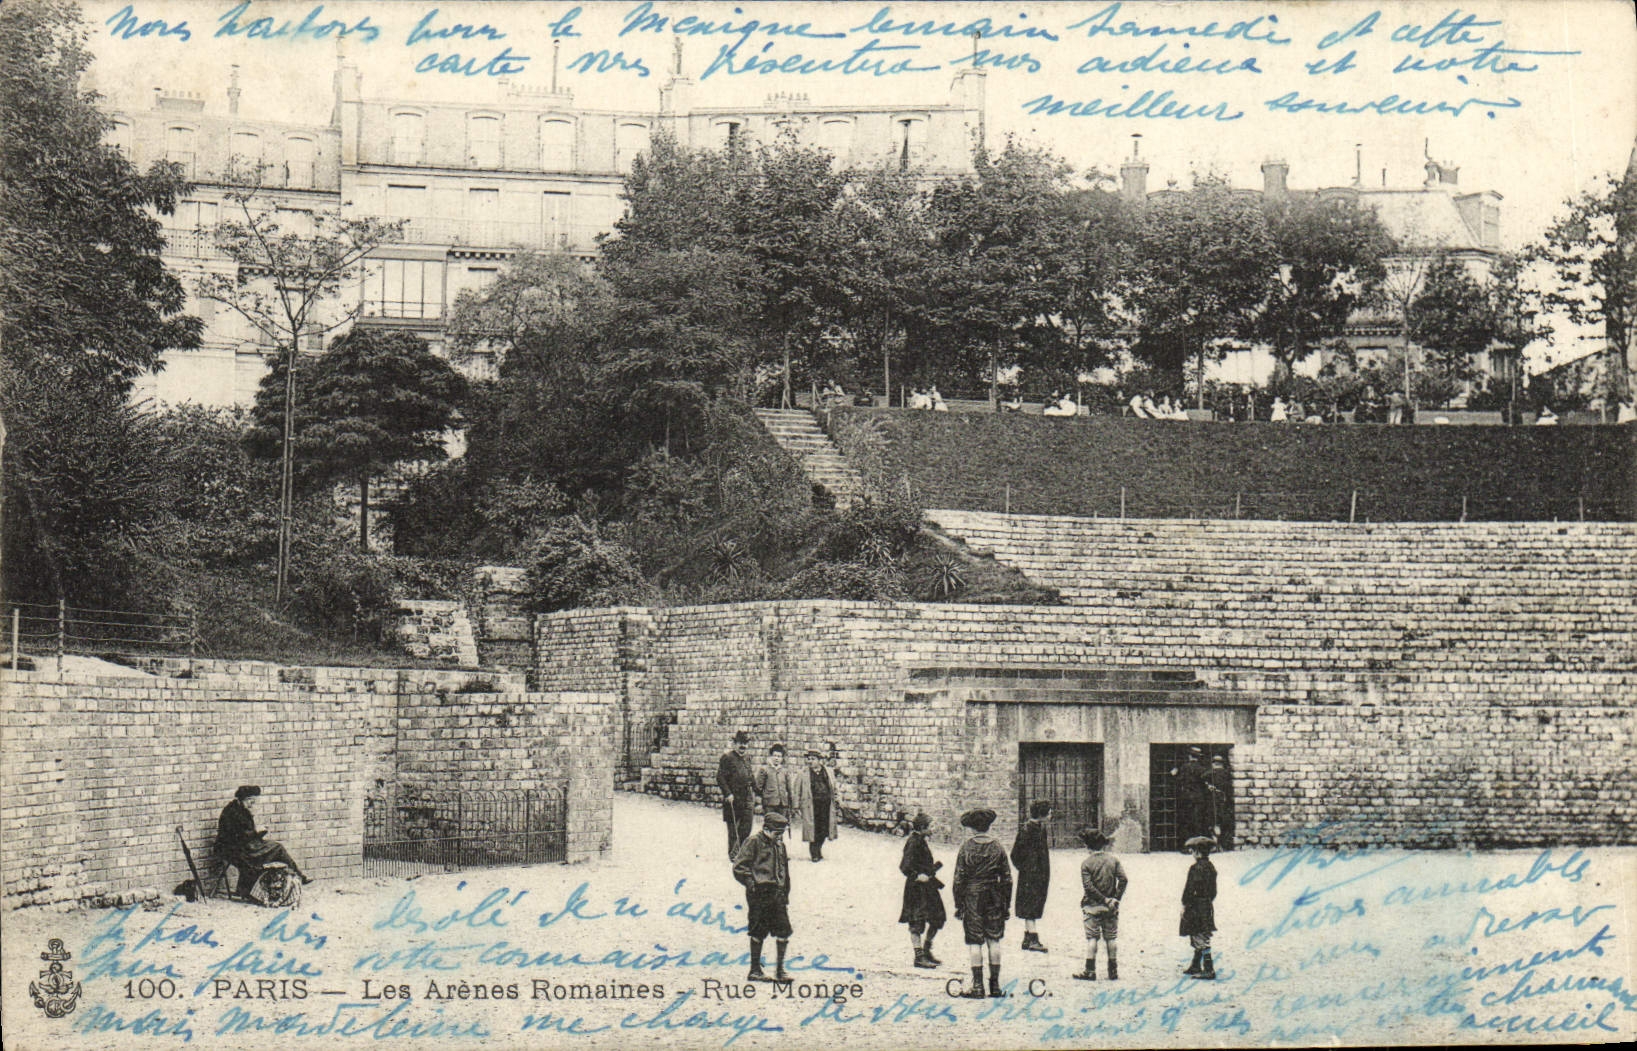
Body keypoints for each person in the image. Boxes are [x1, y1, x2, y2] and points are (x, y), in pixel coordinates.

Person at [952, 807, 1012, 998]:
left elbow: (958, 879)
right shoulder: (998, 847)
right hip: (994, 896)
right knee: (994, 939)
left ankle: (977, 986)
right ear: (988, 826)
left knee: (974, 940)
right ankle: (995, 986)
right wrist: (1006, 904)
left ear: (972, 828)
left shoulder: (966, 847)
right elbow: (1008, 879)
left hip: (972, 897)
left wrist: (958, 904)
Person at [216, 786, 313, 896]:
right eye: (250, 801)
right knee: (277, 848)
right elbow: (238, 836)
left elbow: (245, 834)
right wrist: (257, 832)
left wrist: (258, 832)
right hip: (231, 849)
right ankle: (299, 876)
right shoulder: (233, 813)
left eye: (253, 802)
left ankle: (244, 890)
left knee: (273, 849)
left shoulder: (239, 809)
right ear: (244, 799)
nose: (252, 804)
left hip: (241, 846)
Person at [733, 811, 794, 982]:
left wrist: (785, 892)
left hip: (777, 894)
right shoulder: (753, 842)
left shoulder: (780, 845)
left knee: (783, 931)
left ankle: (780, 970)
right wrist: (752, 884)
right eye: (776, 833)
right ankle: (755, 970)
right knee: (758, 930)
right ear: (766, 829)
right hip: (759, 894)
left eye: (781, 834)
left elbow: (784, 871)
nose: (779, 837)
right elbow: (739, 867)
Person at [1072, 827, 1128, 981]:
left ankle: (1090, 971)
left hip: (1092, 907)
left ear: (1087, 846)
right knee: (1111, 938)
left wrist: (1103, 899)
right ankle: (1113, 970)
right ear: (1103, 844)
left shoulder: (1086, 864)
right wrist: (1115, 899)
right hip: (1111, 908)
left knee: (1092, 939)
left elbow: (1088, 888)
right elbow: (1123, 879)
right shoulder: (1113, 860)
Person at [898, 812, 946, 969]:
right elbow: (904, 866)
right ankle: (919, 957)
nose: (933, 828)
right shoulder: (913, 842)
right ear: (923, 828)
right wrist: (917, 875)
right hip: (916, 889)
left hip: (928, 887)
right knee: (916, 921)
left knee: (938, 918)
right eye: (931, 826)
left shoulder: (921, 841)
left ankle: (926, 950)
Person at [1012, 800, 1052, 952]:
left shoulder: (1041, 828)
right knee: (1030, 905)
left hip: (1040, 875)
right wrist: (1027, 869)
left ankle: (1028, 937)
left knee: (1035, 903)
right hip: (1030, 876)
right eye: (1048, 811)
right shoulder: (1026, 830)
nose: (1051, 814)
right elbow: (1015, 854)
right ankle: (1033, 939)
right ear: (1041, 814)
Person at [1180, 836, 1218, 980]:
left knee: (1198, 934)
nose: (1192, 853)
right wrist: (1207, 900)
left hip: (1195, 905)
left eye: (1193, 850)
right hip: (1207, 905)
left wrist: (1185, 904)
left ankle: (1209, 969)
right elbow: (1214, 891)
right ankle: (1195, 965)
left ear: (1197, 852)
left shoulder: (1195, 868)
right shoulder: (1211, 867)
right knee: (1201, 932)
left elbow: (1189, 889)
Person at [717, 731, 757, 859]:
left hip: (746, 798)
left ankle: (738, 851)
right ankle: (733, 854)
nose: (743, 746)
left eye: (745, 743)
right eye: (740, 743)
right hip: (733, 799)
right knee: (733, 829)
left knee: (747, 827)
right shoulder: (727, 758)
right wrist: (728, 793)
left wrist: (757, 790)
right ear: (734, 744)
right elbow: (720, 777)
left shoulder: (747, 758)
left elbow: (750, 776)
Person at [797, 750, 838, 861]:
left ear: (820, 760)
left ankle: (818, 849)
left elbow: (834, 788)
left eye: (813, 759)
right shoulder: (803, 773)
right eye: (809, 759)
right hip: (811, 807)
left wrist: (837, 800)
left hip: (826, 806)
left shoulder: (828, 772)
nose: (810, 761)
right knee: (813, 830)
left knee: (824, 829)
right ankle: (814, 853)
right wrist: (796, 807)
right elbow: (797, 791)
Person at [1169, 746, 1209, 847]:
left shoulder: (1184, 768)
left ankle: (1186, 846)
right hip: (1199, 798)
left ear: (1190, 756)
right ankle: (1198, 846)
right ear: (1198, 757)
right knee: (1198, 821)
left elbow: (1179, 781)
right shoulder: (1203, 769)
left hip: (1186, 798)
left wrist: (1174, 775)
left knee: (1186, 821)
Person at [755, 744, 796, 828]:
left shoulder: (785, 771)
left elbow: (789, 789)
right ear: (771, 756)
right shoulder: (764, 770)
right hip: (769, 804)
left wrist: (791, 806)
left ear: (782, 758)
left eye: (779, 756)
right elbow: (758, 788)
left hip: (783, 805)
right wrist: (759, 803)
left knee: (781, 826)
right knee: (770, 826)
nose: (776, 758)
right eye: (775, 755)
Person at [1204, 754, 1235, 851]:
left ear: (1213, 763)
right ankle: (1222, 844)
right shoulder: (1226, 774)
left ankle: (1214, 844)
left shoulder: (1209, 773)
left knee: (1213, 821)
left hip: (1213, 800)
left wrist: (1208, 785)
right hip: (1224, 800)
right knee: (1222, 821)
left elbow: (1202, 777)